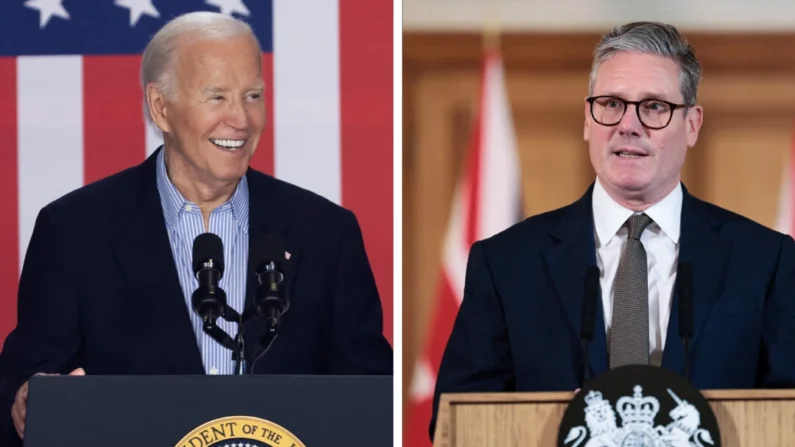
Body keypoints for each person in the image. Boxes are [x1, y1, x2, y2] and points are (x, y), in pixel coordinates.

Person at [0, 11, 392, 445]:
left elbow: (372, 397)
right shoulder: (74, 232)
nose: (241, 119)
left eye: (253, 95)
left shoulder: (325, 233)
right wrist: (24, 402)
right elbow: (20, 389)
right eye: (217, 97)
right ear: (161, 107)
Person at [430, 21, 795, 439]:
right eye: (611, 104)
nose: (628, 125)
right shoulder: (507, 263)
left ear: (692, 125)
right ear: (588, 119)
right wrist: (549, 423)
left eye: (654, 107)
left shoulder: (765, 261)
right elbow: (454, 418)